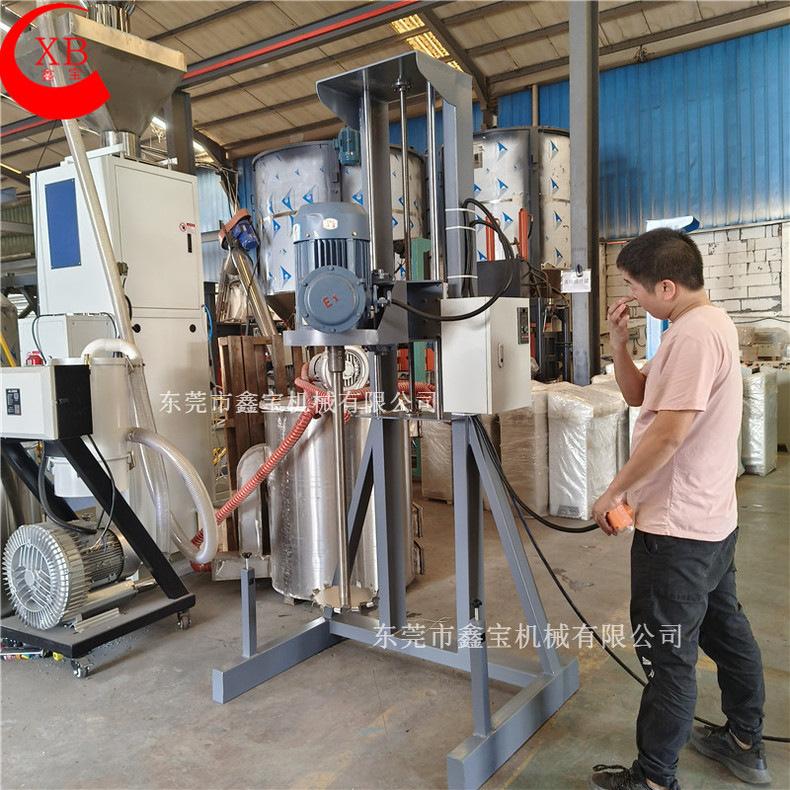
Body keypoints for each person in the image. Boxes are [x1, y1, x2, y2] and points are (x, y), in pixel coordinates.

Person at [587, 229, 770, 790]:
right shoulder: (697, 325)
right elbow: (640, 396)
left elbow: (667, 435)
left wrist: (614, 491)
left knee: (667, 653)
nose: (632, 296)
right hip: (710, 521)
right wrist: (619, 343)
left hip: (677, 531)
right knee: (725, 631)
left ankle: (653, 779)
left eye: (635, 287)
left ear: (666, 286)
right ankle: (744, 741)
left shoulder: (693, 336)